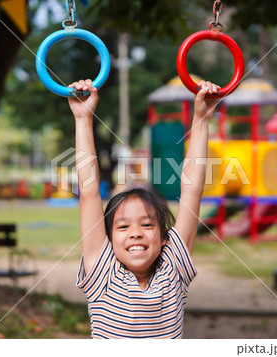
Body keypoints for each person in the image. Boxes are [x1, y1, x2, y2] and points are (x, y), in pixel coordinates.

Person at [69, 79, 219, 339]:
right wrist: (83, 118)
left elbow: (192, 190)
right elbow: (90, 192)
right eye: (123, 226)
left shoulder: (173, 269)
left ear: (164, 238)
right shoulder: (102, 272)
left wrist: (202, 118)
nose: (136, 233)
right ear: (107, 238)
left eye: (147, 224)